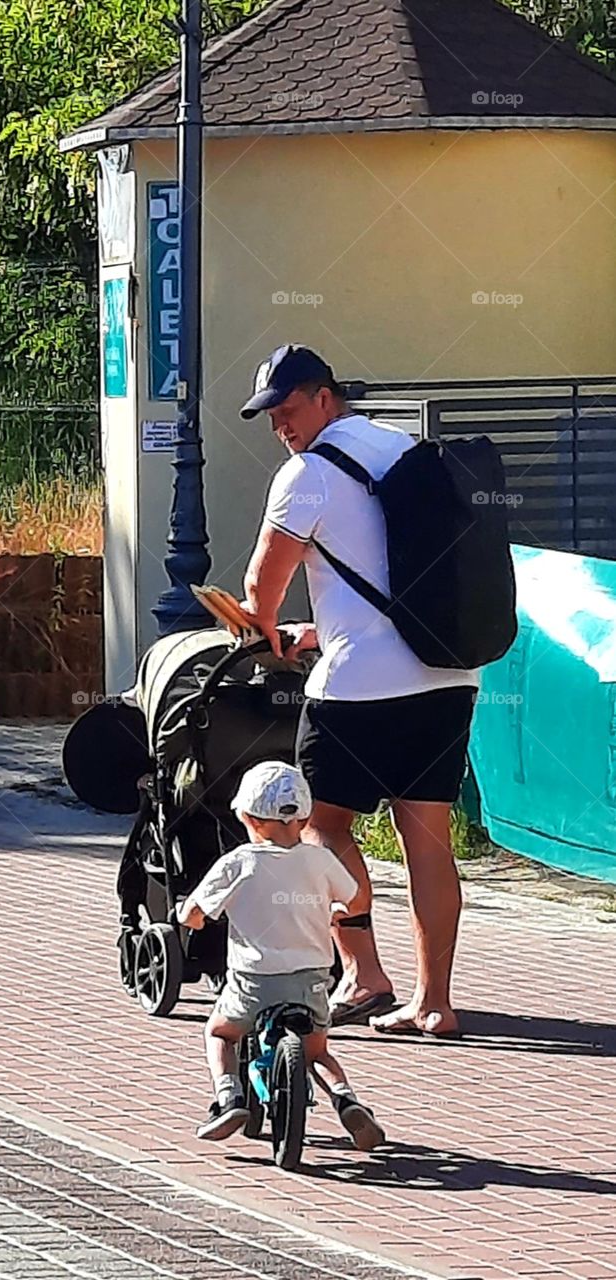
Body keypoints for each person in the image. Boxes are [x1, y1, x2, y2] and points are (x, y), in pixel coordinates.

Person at [237, 345, 478, 1039]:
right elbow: (388, 572)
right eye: (270, 417)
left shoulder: (306, 476)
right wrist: (321, 628)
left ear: (323, 398)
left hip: (358, 690)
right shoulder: (402, 449)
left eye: (287, 410)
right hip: (445, 672)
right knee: (428, 841)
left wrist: (266, 631)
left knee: (320, 827)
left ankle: (365, 975)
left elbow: (261, 591)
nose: (281, 427)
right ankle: (435, 1003)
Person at [177, 760, 385, 1149]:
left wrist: (191, 917)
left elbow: (193, 915)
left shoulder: (238, 862)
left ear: (247, 817)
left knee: (219, 1032)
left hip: (253, 982)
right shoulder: (320, 860)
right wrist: (334, 909)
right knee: (317, 1051)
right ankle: (346, 1101)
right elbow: (356, 901)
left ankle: (228, 1098)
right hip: (311, 980)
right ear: (304, 818)